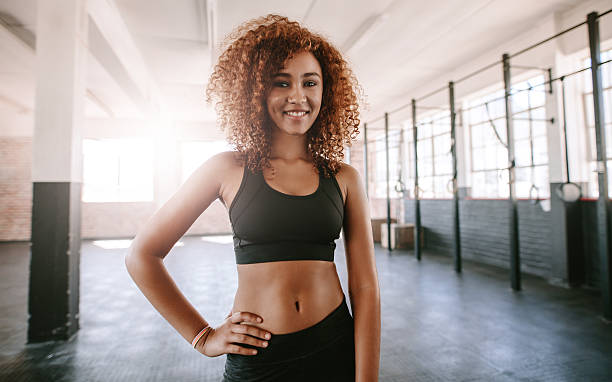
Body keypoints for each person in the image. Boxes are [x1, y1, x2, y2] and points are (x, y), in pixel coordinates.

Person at [125, 14, 380, 382]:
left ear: (327, 91)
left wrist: (367, 378)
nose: (298, 96)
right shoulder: (226, 169)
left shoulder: (344, 177)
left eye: (310, 82)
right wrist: (203, 337)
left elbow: (366, 287)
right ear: (257, 90)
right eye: (282, 82)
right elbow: (142, 255)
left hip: (333, 346)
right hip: (259, 357)